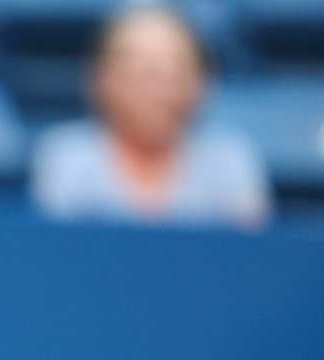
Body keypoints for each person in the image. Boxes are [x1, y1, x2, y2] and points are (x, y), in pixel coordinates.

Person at [31, 6, 271, 230]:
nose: (155, 90)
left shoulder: (230, 160)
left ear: (201, 81)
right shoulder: (68, 155)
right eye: (140, 71)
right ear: (102, 78)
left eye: (171, 73)